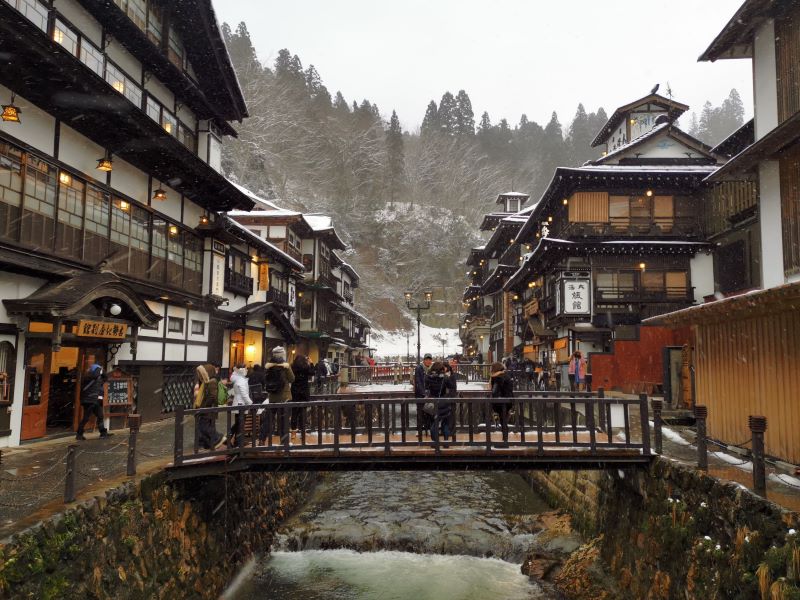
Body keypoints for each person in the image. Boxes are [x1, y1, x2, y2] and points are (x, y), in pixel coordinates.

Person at [259, 347, 295, 445]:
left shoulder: (269, 366)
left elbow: (265, 379)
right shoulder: (285, 366)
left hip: (272, 397)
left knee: (269, 419)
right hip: (284, 397)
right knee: (284, 420)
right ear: (282, 355)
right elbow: (292, 379)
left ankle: (262, 439)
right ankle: (284, 441)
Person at [76, 363, 111, 440]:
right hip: (93, 400)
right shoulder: (98, 378)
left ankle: (102, 433)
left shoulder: (88, 377)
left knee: (96, 416)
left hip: (89, 400)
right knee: (92, 417)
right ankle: (79, 434)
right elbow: (106, 377)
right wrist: (100, 369)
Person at [195, 363, 225, 450]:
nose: (200, 376)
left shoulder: (212, 382)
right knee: (204, 426)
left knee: (203, 427)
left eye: (202, 373)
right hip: (207, 409)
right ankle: (209, 443)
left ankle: (218, 438)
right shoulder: (207, 382)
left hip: (208, 410)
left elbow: (212, 396)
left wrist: (204, 405)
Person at [426, 361, 455, 444]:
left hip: (433, 402)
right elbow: (452, 388)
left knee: (434, 423)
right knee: (445, 423)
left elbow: (426, 389)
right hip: (443, 401)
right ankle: (446, 442)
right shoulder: (444, 378)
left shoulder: (428, 377)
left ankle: (435, 442)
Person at [489, 361, 514, 446]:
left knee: (503, 421)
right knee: (504, 421)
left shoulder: (498, 377)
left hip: (502, 402)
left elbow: (495, 392)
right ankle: (505, 440)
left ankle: (505, 441)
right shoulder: (505, 375)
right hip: (508, 401)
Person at [290, 354, 313, 438]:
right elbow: (312, 373)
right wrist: (311, 363)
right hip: (304, 391)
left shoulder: (293, 367)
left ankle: (293, 432)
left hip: (295, 391)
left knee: (294, 412)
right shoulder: (306, 367)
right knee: (303, 412)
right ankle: (302, 432)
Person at [229, 363, 252, 446]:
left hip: (238, 402)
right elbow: (244, 393)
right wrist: (250, 402)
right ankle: (238, 442)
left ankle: (233, 440)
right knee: (240, 424)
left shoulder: (237, 378)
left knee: (238, 423)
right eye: (246, 368)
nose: (247, 370)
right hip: (241, 403)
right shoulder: (241, 380)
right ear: (242, 370)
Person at [414, 353, 433, 432]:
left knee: (429, 412)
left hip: (429, 394)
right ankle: (419, 430)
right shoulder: (419, 368)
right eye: (427, 359)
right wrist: (423, 393)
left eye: (430, 360)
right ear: (424, 360)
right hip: (420, 394)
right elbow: (418, 381)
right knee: (420, 412)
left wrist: (429, 393)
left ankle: (428, 428)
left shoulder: (432, 369)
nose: (428, 361)